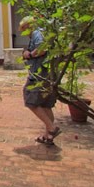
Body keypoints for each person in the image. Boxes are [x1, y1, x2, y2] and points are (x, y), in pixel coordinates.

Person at [19, 16, 61, 145]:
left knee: (31, 100)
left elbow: (42, 48)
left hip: (40, 74)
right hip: (49, 73)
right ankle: (48, 136)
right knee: (45, 105)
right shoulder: (43, 32)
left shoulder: (37, 33)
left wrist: (29, 54)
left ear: (28, 26)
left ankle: (51, 128)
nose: (22, 33)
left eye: (23, 29)